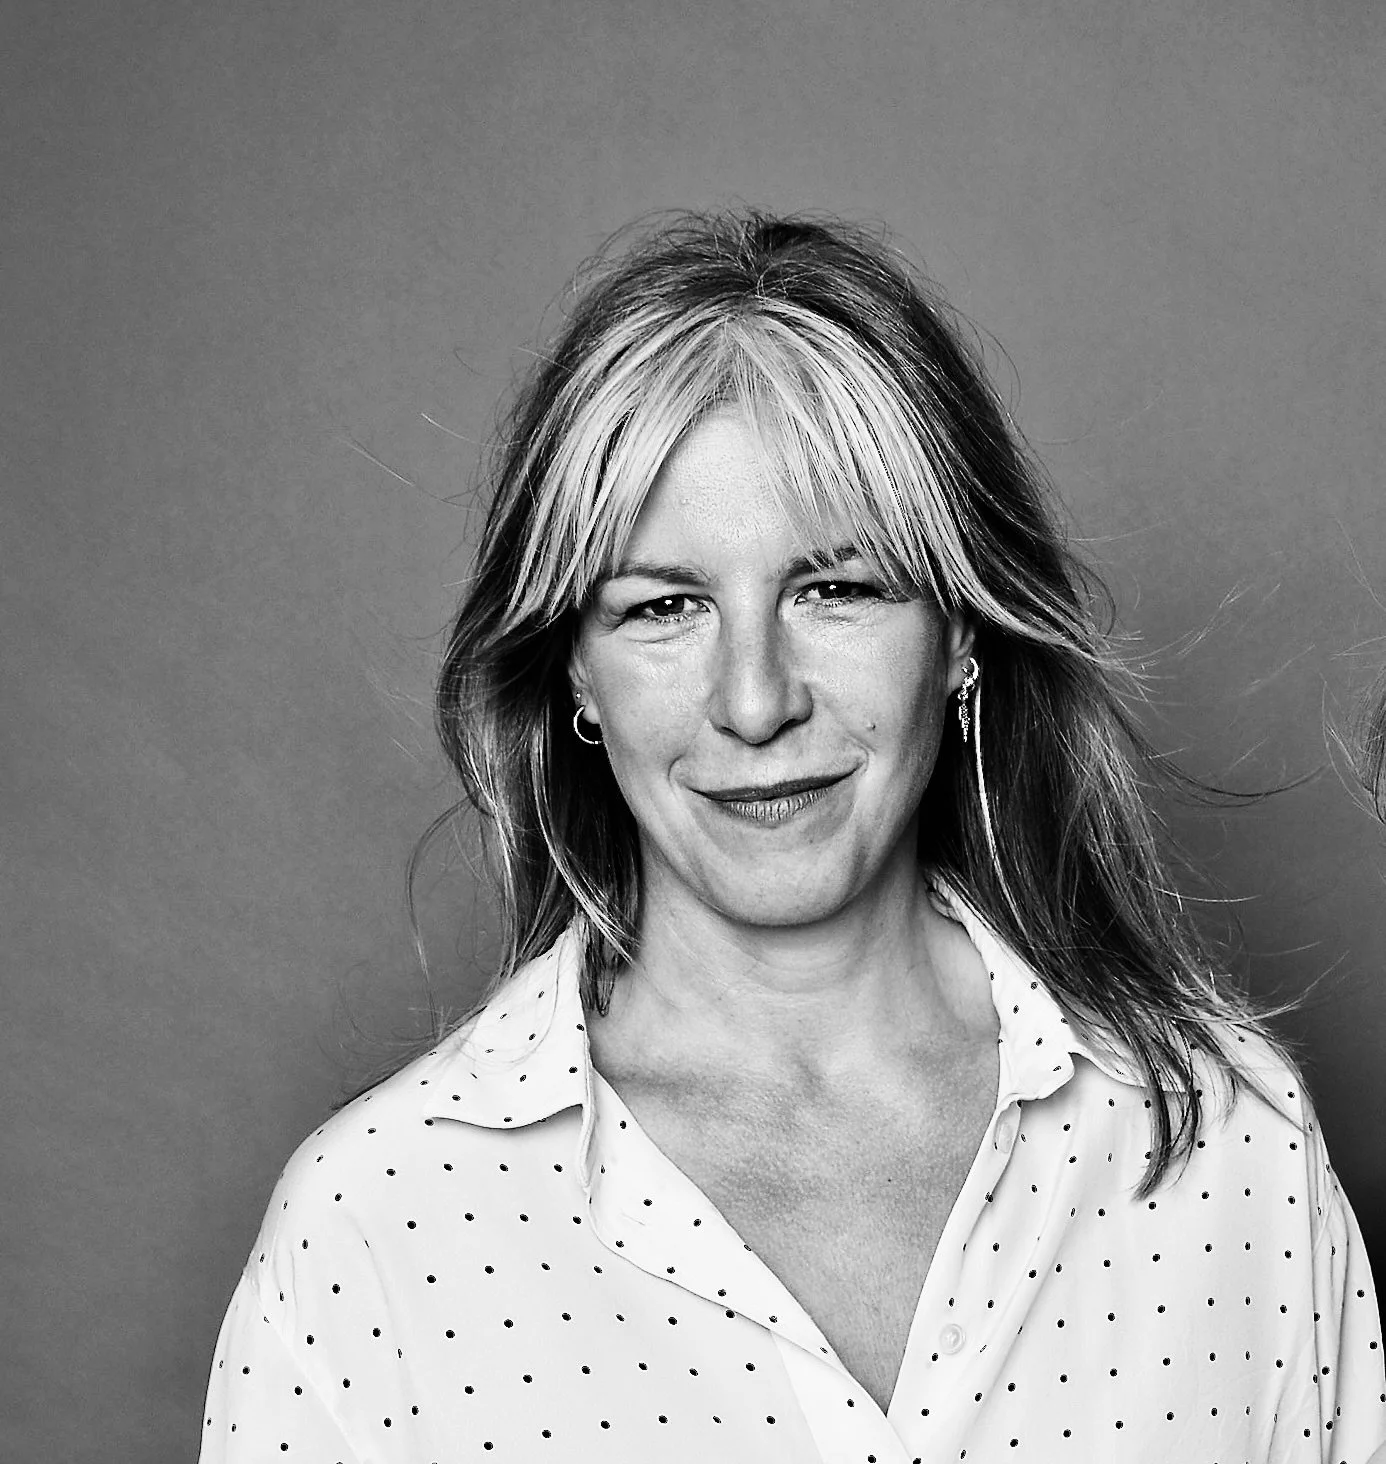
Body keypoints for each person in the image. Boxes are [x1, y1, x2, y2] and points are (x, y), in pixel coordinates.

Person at [198, 212, 1386, 1462]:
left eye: (838, 589)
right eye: (663, 606)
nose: (757, 700)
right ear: (576, 680)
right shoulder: (378, 1228)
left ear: (965, 636)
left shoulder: (1226, 1137)